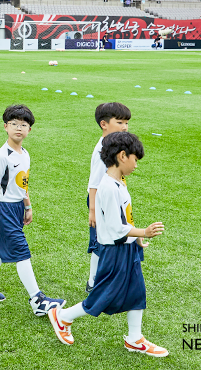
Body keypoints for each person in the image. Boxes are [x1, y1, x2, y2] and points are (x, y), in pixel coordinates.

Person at [48, 132, 167, 358]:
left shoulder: (118, 182)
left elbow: (124, 218)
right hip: (114, 251)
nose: (136, 165)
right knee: (103, 295)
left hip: (127, 248)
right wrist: (144, 232)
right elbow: (114, 227)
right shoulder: (109, 187)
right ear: (122, 156)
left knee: (137, 291)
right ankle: (62, 316)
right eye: (135, 159)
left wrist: (136, 238)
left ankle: (135, 339)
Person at [0, 104, 65, 315]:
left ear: (29, 130)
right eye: (14, 124)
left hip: (16, 208)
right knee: (21, 251)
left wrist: (27, 205)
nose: (18, 128)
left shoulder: (25, 154)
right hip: (3, 209)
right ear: (5, 126)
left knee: (0, 248)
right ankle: (38, 300)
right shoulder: (1, 156)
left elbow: (22, 184)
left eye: (23, 125)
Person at [86, 102, 131, 293]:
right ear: (103, 124)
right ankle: (93, 282)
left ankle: (105, 279)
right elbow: (94, 184)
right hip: (100, 202)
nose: (125, 127)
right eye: (120, 122)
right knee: (102, 242)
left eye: (126, 123)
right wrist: (93, 211)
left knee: (114, 238)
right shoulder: (102, 151)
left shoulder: (113, 146)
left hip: (113, 199)